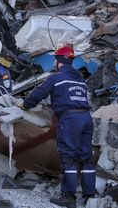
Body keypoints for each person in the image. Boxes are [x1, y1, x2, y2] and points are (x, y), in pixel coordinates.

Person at [19, 45, 95, 208]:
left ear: (59, 61)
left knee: (68, 157)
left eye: (55, 59)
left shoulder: (56, 77)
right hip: (86, 118)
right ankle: (90, 197)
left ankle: (69, 197)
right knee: (85, 157)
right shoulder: (80, 79)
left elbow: (39, 94)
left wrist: (25, 105)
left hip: (70, 119)